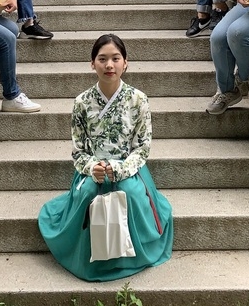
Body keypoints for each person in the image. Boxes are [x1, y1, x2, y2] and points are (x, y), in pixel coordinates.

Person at [38, 34, 173, 281]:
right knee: (90, 194)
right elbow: (78, 150)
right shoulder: (81, 102)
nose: (109, 65)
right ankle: (89, 260)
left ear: (125, 63)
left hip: (128, 167)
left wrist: (119, 169)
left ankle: (132, 255)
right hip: (94, 168)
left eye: (115, 58)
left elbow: (142, 148)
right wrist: (92, 167)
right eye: (102, 59)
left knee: (129, 194)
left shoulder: (139, 99)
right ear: (92, 64)